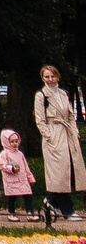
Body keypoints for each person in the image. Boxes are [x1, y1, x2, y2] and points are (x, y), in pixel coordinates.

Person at [38, 66, 80, 221]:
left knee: (68, 171)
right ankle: (67, 209)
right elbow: (40, 120)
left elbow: (70, 115)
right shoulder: (41, 95)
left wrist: (74, 131)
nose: (50, 79)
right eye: (47, 77)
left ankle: (51, 200)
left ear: (58, 77)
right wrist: (49, 136)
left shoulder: (64, 93)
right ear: (43, 78)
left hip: (67, 134)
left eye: (52, 76)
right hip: (54, 134)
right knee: (59, 173)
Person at [0, 127, 37, 221]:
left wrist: (30, 176)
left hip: (22, 179)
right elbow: (2, 165)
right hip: (11, 180)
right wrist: (11, 169)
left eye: (16, 141)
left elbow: (25, 166)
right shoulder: (4, 154)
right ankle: (11, 213)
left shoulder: (20, 154)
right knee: (12, 197)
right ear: (6, 142)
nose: (15, 143)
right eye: (12, 142)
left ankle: (29, 213)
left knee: (28, 195)